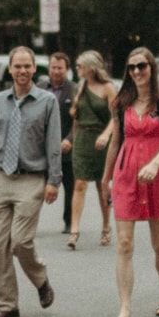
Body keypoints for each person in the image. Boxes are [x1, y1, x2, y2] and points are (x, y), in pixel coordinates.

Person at [0, 46, 60, 317]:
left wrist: (54, 180)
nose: (22, 71)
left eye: (27, 66)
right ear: (10, 69)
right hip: (0, 178)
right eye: (17, 66)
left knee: (20, 242)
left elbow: (53, 143)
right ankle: (8, 304)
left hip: (31, 179)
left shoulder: (47, 101)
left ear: (35, 69)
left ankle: (40, 278)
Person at [101, 47, 159, 317]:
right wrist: (105, 179)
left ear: (151, 68)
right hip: (126, 175)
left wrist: (155, 164)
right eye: (132, 67)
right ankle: (124, 309)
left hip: (156, 174)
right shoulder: (121, 103)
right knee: (124, 244)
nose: (136, 72)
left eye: (142, 67)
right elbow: (115, 142)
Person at [67, 50, 115, 249]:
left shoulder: (108, 88)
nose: (77, 69)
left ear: (90, 67)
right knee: (79, 184)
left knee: (102, 185)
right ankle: (74, 230)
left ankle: (106, 226)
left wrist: (106, 135)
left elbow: (117, 117)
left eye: (79, 66)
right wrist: (73, 138)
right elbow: (76, 118)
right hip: (82, 140)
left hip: (102, 139)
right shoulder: (80, 87)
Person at [44, 51, 76, 233]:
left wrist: (70, 139)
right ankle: (28, 221)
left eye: (60, 68)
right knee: (36, 187)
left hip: (66, 149)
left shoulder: (74, 89)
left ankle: (70, 221)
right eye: (53, 67)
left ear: (67, 70)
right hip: (43, 149)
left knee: (70, 188)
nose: (56, 71)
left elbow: (79, 121)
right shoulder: (40, 87)